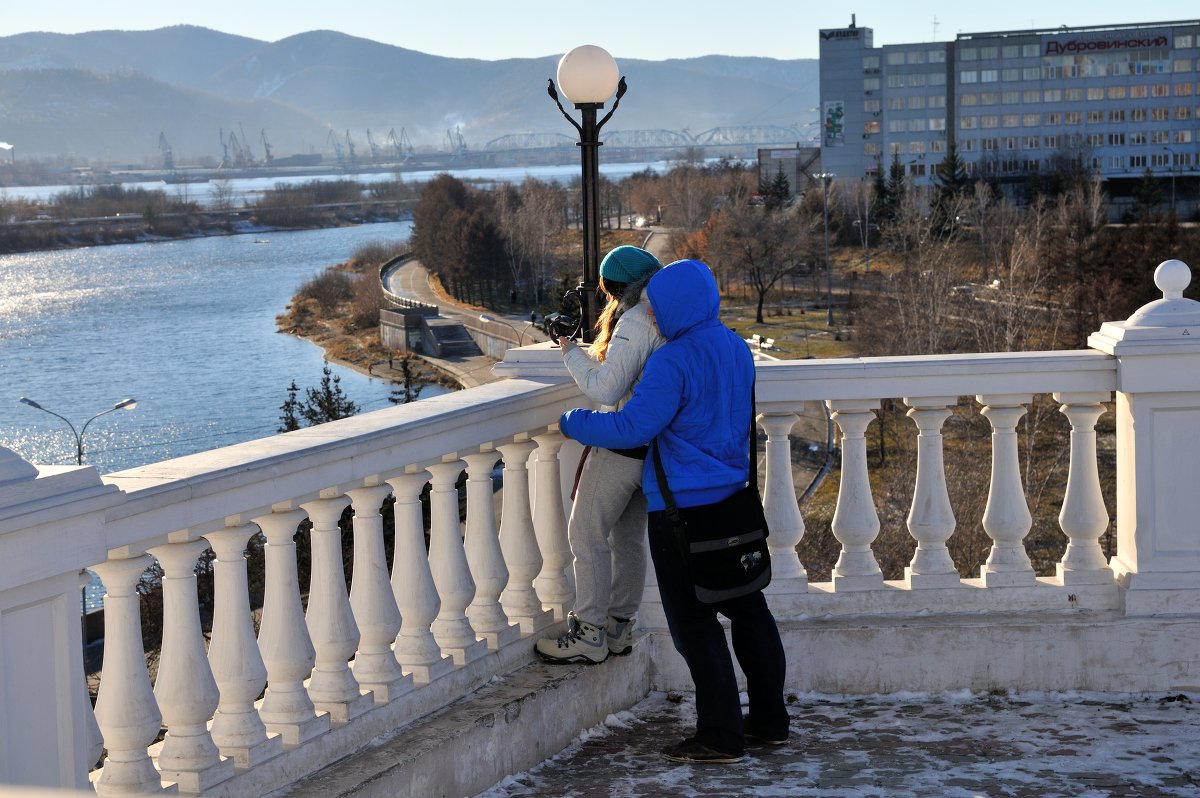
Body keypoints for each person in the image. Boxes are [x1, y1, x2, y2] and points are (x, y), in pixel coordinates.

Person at [559, 259, 788, 764]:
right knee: (751, 613)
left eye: (658, 308)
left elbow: (631, 429)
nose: (653, 318)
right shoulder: (734, 347)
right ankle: (770, 722)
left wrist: (573, 421)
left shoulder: (672, 361)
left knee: (695, 627)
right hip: (735, 502)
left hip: (683, 511)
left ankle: (720, 736)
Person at [536, 245, 665, 664]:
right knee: (628, 540)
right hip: (654, 447)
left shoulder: (635, 319)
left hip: (622, 446)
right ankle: (618, 628)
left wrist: (568, 350)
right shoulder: (663, 314)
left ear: (614, 287)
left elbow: (608, 389)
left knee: (586, 535)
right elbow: (627, 367)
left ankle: (588, 630)